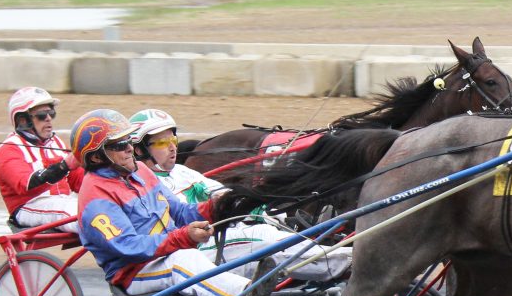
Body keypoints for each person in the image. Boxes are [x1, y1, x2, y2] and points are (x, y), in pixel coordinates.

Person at [71, 108, 274, 296]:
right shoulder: (95, 199)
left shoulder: (141, 171)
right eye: (120, 145)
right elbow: (129, 246)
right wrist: (183, 237)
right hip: (134, 272)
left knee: (217, 252)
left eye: (129, 140)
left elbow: (179, 211)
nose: (130, 148)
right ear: (96, 156)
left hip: (167, 254)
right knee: (184, 261)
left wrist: (219, 207)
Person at [128, 108, 352, 282]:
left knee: (277, 228)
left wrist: (272, 214)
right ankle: (349, 261)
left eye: (173, 140)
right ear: (139, 149)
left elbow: (224, 196)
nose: (172, 148)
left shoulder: (183, 171)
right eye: (161, 143)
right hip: (192, 252)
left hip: (221, 239)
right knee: (262, 236)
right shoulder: (142, 183)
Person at [0, 87, 83, 233]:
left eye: (51, 113)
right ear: (23, 120)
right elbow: (26, 185)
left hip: (61, 203)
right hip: (29, 207)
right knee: (84, 214)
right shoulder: (9, 149)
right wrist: (64, 166)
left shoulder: (57, 143)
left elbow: (79, 180)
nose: (48, 118)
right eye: (42, 115)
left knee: (104, 206)